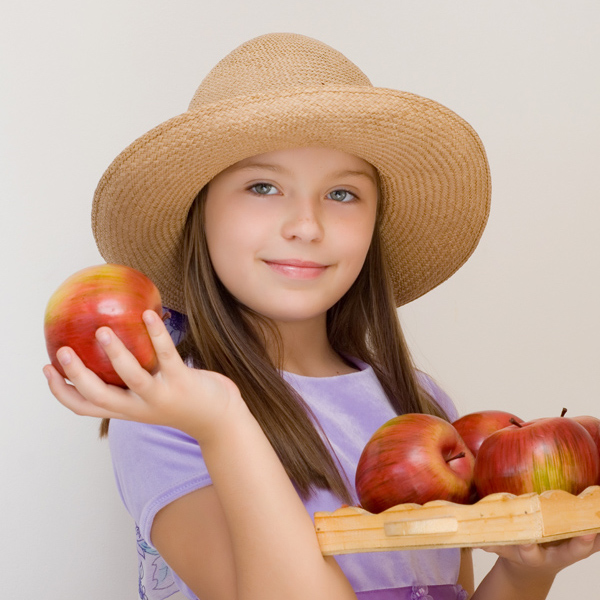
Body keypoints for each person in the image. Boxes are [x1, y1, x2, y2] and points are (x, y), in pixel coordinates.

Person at [43, 33, 599, 600]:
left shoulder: (420, 406)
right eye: (262, 186)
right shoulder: (172, 411)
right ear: (199, 215)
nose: (306, 226)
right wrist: (224, 422)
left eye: (342, 194)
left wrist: (526, 572)